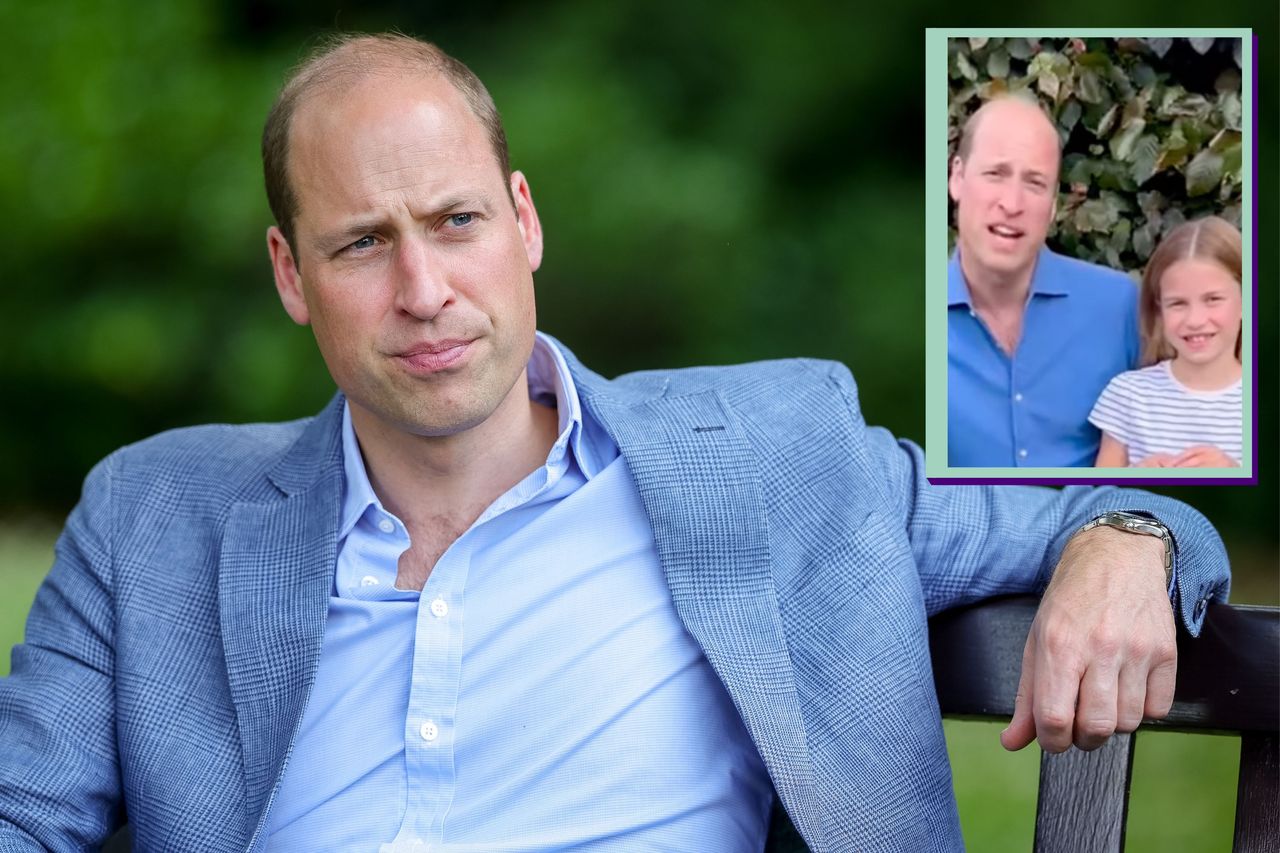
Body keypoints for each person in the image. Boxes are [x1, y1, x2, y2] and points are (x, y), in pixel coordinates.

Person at [0, 34, 1230, 853]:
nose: (423, 287)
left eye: (456, 219)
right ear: (289, 273)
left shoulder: (772, 452)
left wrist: (1125, 533)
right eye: (361, 243)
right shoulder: (154, 515)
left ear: (523, 220)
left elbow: (1123, 501)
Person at [947, 95, 1139, 468]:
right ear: (957, 177)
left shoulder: (1119, 307)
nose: (1012, 203)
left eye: (1035, 183)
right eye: (995, 174)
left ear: (1052, 204)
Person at [1090, 217, 1244, 468]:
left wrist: (1235, 474)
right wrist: (1135, 480)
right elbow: (1098, 499)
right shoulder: (1129, 395)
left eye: (1213, 299)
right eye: (1178, 303)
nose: (1195, 320)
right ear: (1159, 309)